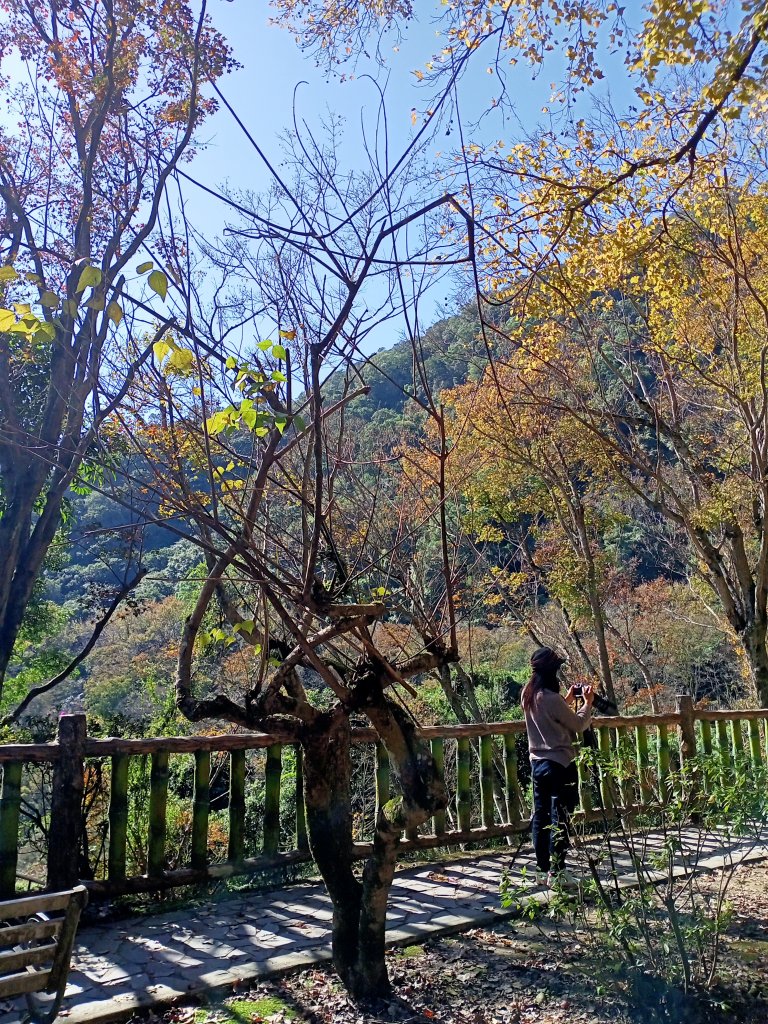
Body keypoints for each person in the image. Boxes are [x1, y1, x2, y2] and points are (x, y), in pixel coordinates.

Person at [521, 646, 594, 887]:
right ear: (553, 671)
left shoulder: (528, 694)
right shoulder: (551, 698)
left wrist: (569, 700)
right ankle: (558, 871)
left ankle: (542, 871)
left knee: (541, 817)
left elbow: (550, 713)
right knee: (560, 817)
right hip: (561, 764)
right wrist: (587, 703)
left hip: (538, 765)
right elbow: (578, 723)